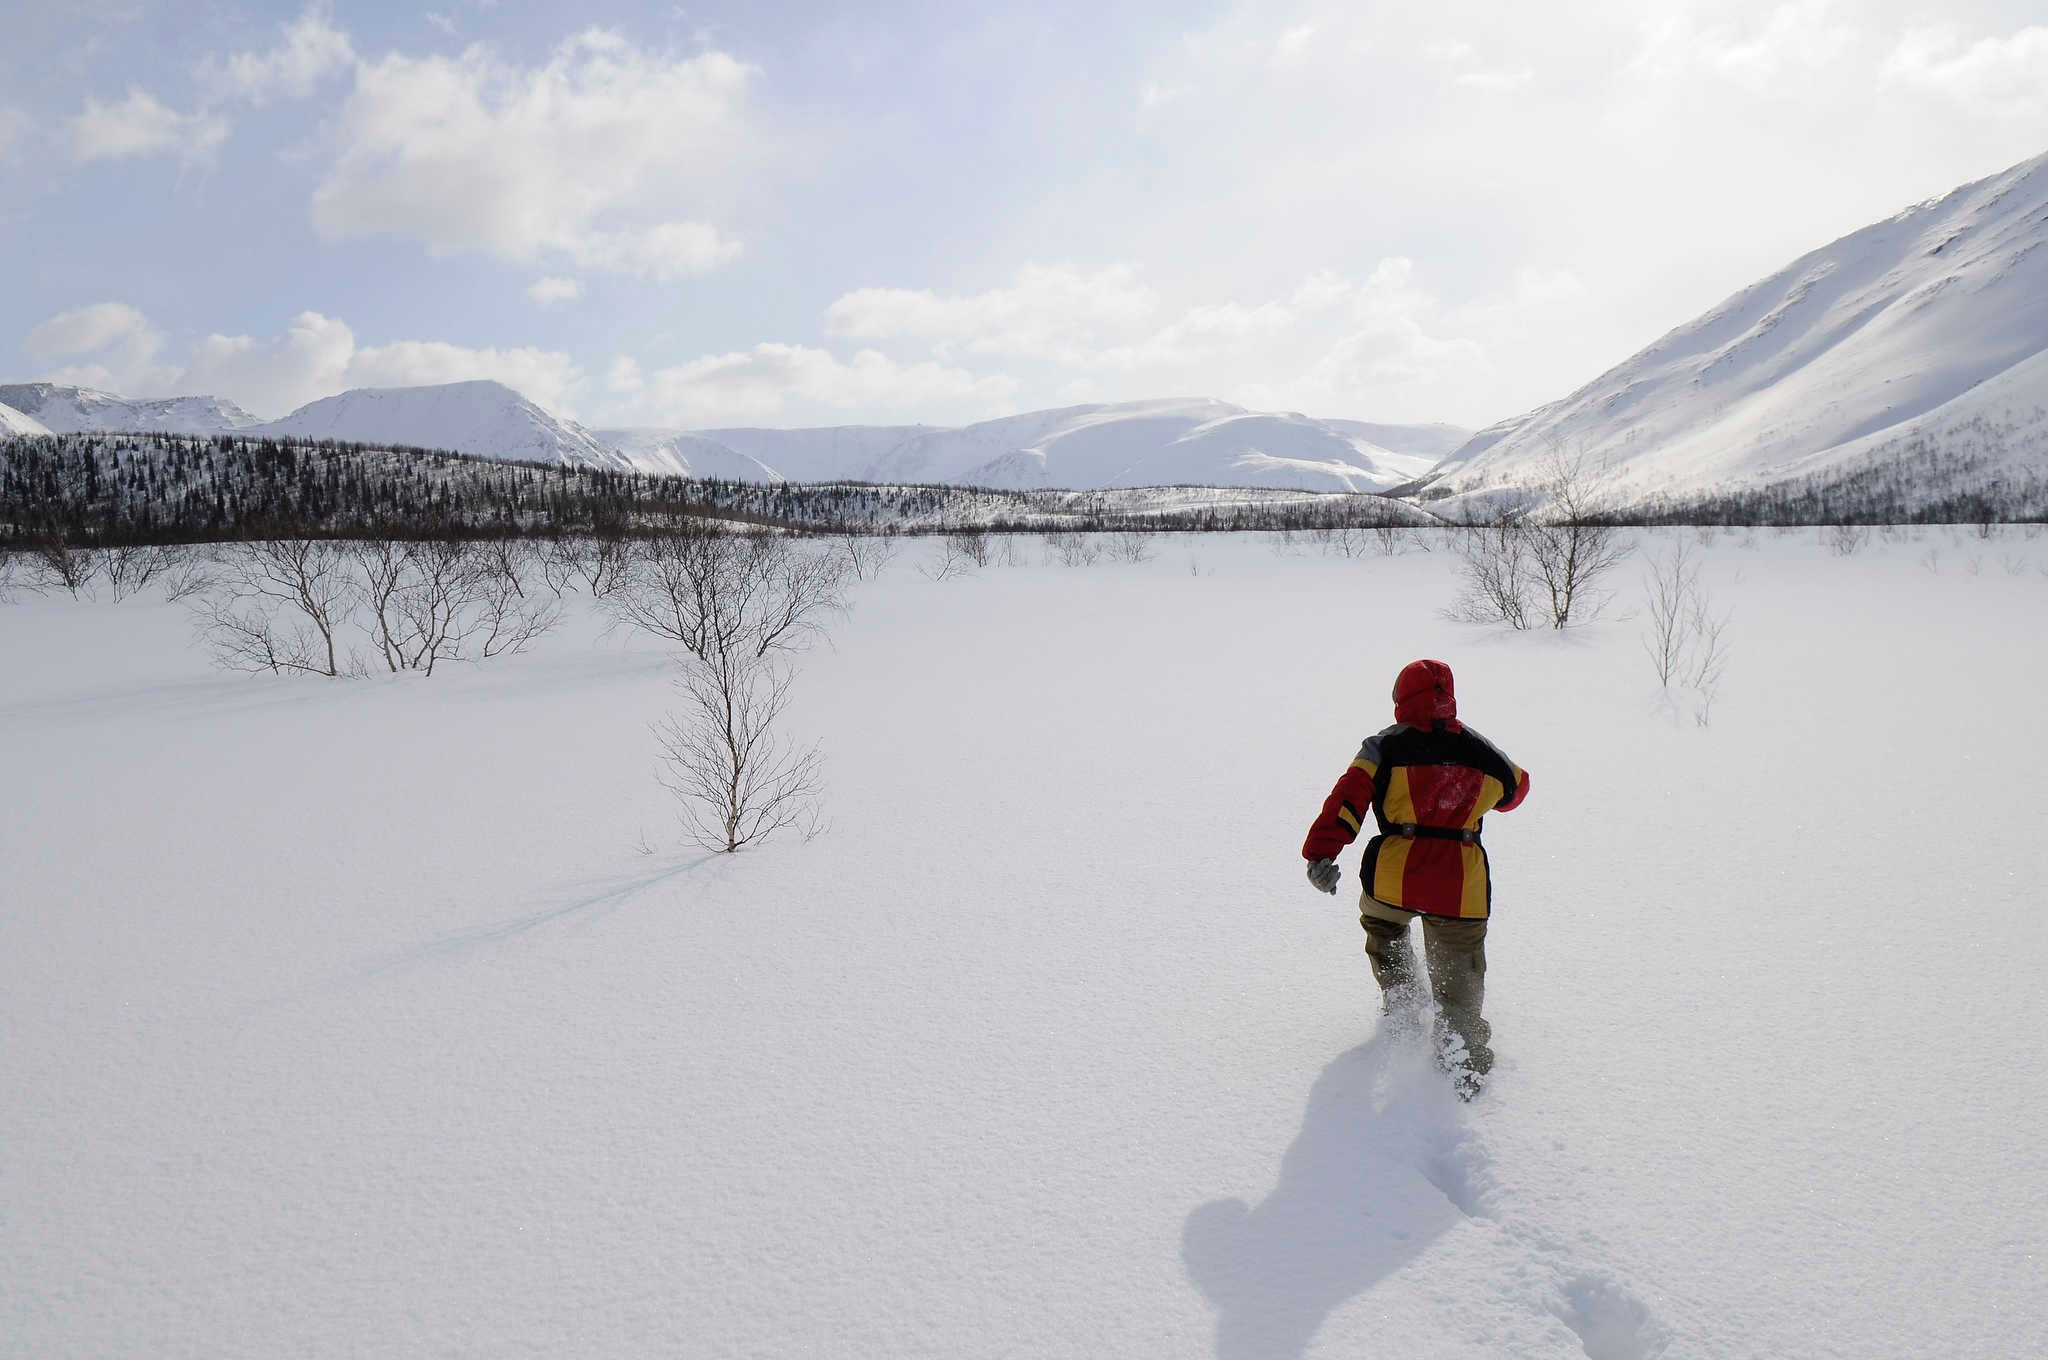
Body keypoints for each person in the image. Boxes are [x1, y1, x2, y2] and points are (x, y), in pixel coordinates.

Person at [1302, 659, 1530, 1098]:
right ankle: (1463, 1064)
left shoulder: (1381, 746)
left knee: (1383, 925)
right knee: (1460, 975)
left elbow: (1347, 800)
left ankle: (1403, 998)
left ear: (1400, 699)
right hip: (1459, 887)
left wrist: (1321, 854)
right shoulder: (1480, 750)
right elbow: (1516, 791)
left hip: (1393, 878)